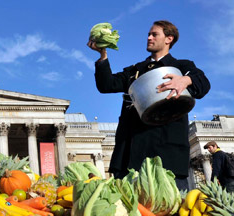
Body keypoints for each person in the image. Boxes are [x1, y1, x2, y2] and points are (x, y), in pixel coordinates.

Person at [87, 20, 211, 191]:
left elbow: (203, 84)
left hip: (166, 152)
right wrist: (102, 56)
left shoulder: (182, 66)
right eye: (148, 34)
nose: (149, 38)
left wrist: (186, 80)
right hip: (131, 153)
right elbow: (106, 85)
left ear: (169, 38)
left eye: (154, 34)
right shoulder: (136, 70)